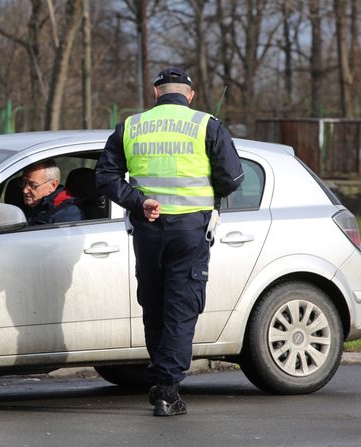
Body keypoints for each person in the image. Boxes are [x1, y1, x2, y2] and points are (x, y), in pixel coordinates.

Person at [95, 67, 244, 417]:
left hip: (148, 228)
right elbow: (234, 177)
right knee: (181, 306)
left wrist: (137, 200)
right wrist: (210, 190)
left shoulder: (131, 126)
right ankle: (165, 388)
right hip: (190, 230)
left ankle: (162, 376)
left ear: (155, 93)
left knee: (155, 304)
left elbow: (105, 176)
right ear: (189, 95)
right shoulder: (206, 124)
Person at [21, 160, 84, 225]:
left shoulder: (68, 214)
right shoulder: (36, 205)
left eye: (33, 185)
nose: (24, 190)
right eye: (23, 183)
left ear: (53, 185)